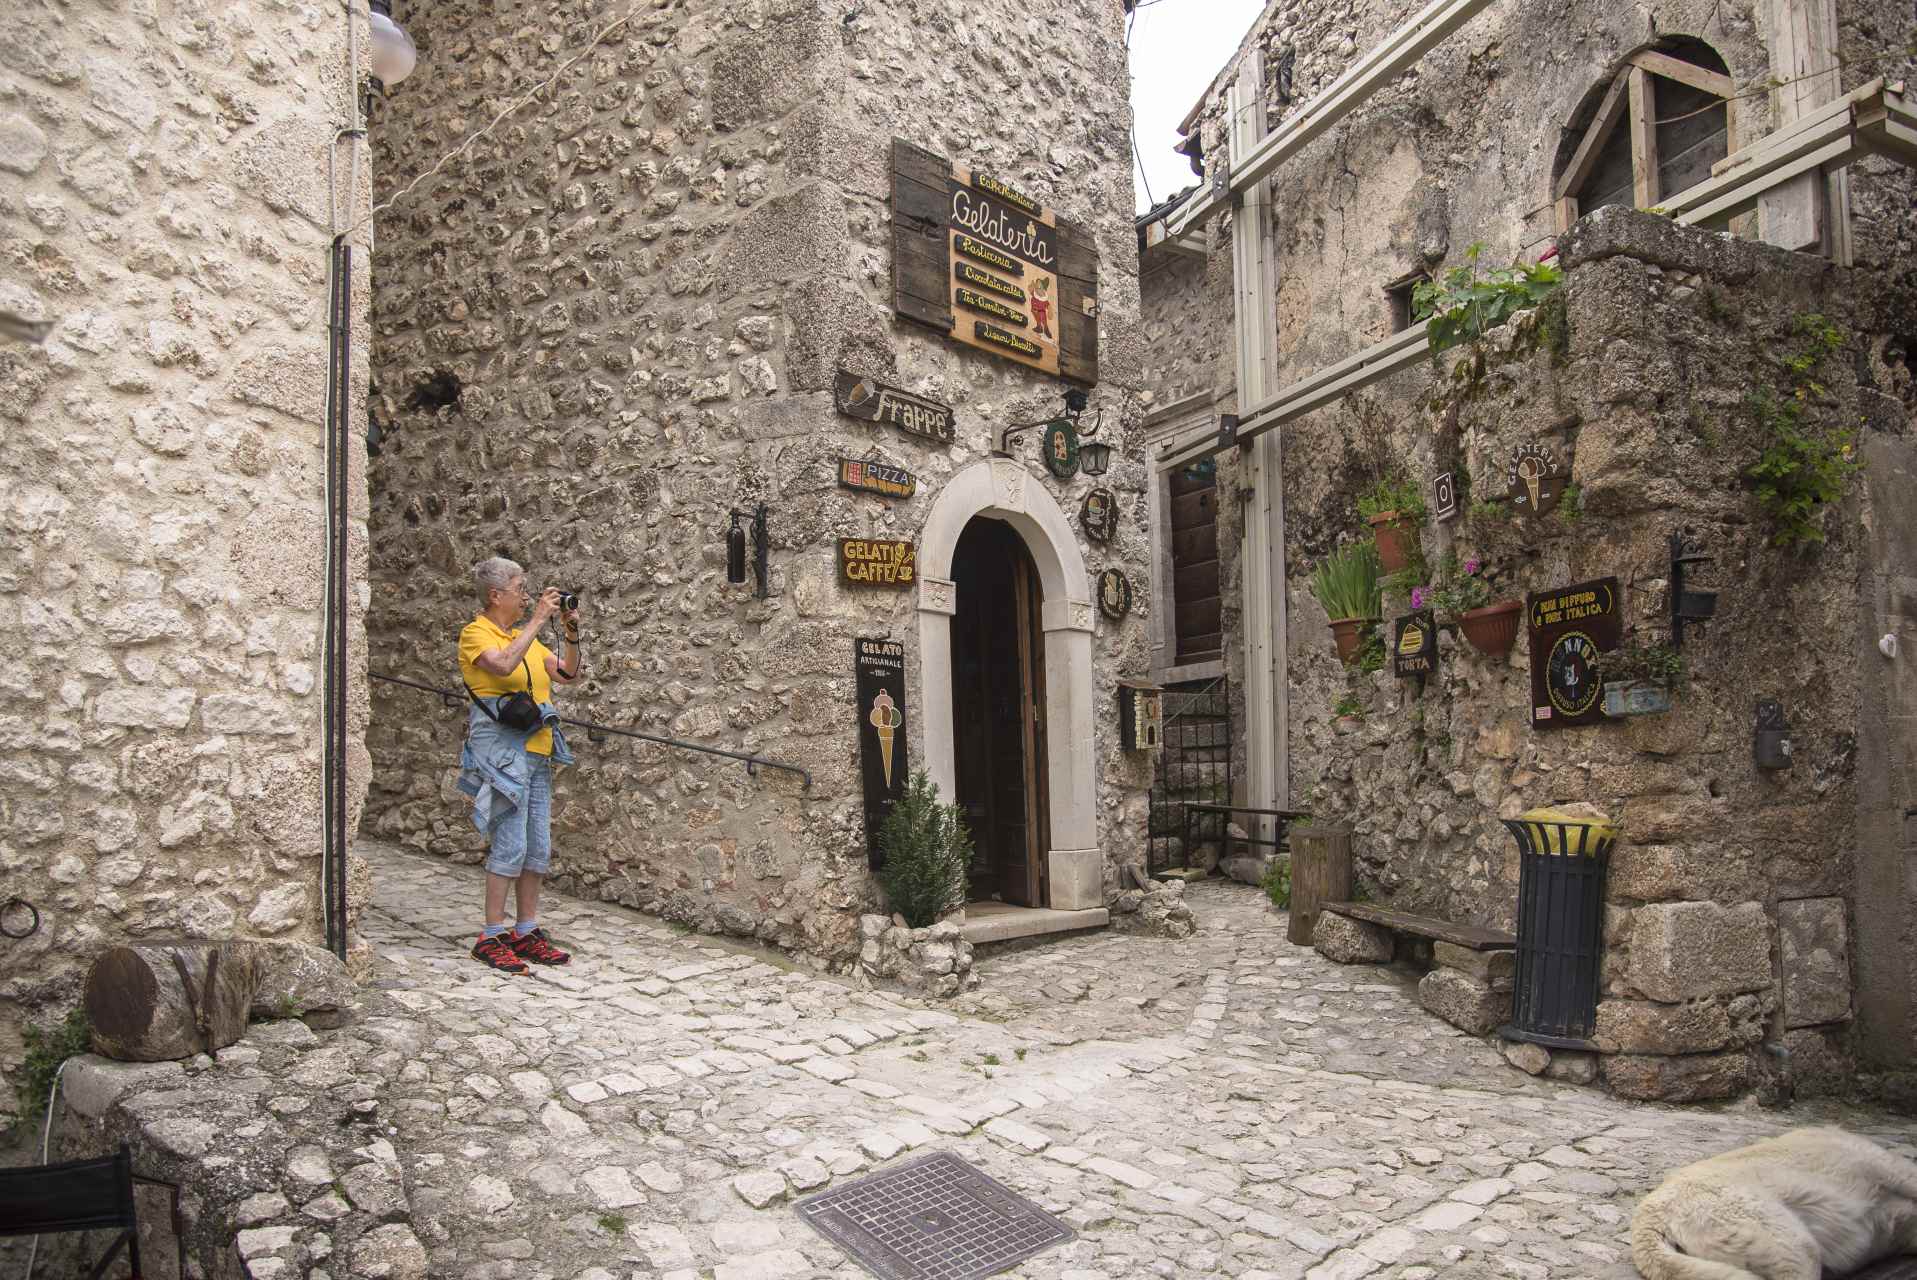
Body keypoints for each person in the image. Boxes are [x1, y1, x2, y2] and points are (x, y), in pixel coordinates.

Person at [457, 556, 583, 973]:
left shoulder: (523, 638)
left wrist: (570, 631)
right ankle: (491, 935)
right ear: (496, 595)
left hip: (537, 750)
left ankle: (525, 929)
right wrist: (538, 620)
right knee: (511, 844)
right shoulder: (477, 634)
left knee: (537, 846)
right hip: (501, 752)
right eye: (519, 589)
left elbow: (567, 674)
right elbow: (503, 664)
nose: (527, 596)